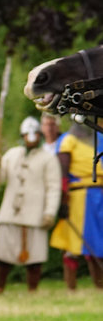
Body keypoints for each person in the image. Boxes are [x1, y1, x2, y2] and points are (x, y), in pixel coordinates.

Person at [0, 116, 61, 294]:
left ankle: (32, 289)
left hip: (35, 214)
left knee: (35, 257)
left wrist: (49, 212)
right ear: (22, 135)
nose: (31, 137)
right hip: (10, 213)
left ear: (39, 135)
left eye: (35, 134)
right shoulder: (12, 154)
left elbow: (54, 187)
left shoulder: (48, 158)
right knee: (2, 255)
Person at [49, 121, 103, 290]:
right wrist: (63, 199)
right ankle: (71, 288)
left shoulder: (100, 137)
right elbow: (62, 173)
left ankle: (99, 286)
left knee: (99, 244)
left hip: (99, 196)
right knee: (73, 243)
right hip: (79, 197)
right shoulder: (67, 140)